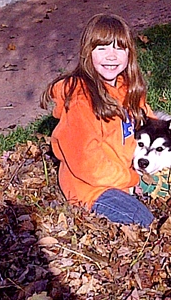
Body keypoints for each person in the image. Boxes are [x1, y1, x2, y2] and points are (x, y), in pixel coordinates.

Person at [41, 13, 154, 228]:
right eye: (102, 48)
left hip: (124, 172)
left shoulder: (127, 88)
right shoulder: (81, 98)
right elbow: (87, 162)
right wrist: (131, 180)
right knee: (142, 219)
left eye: (119, 48)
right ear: (87, 53)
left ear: (130, 53)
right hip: (91, 187)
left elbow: (149, 123)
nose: (111, 56)